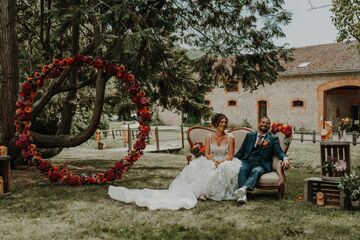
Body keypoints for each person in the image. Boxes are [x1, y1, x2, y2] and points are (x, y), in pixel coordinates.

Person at [108, 113, 242, 210]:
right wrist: (213, 160)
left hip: (225, 160)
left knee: (223, 168)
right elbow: (207, 153)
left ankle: (206, 193)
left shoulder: (230, 137)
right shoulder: (209, 136)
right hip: (212, 159)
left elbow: (230, 155)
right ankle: (203, 192)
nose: (223, 124)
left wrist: (221, 162)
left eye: (225, 122)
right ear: (216, 123)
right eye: (221, 122)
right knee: (209, 167)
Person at [234, 116, 289, 203]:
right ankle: (243, 196)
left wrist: (285, 158)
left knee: (257, 170)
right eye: (263, 122)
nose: (265, 124)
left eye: (267, 123)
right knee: (242, 169)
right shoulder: (249, 136)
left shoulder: (273, 138)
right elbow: (241, 151)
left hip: (261, 164)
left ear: (269, 126)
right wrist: (232, 159)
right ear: (259, 123)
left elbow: (279, 151)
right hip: (247, 161)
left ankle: (243, 190)